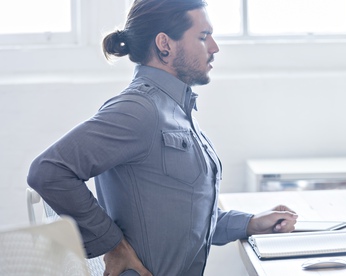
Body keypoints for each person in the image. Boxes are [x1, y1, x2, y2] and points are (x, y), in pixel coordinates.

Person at [27, 0, 297, 275]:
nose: (214, 47)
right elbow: (49, 170)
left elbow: (181, 220)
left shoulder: (176, 108)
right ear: (165, 44)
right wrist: (112, 244)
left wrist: (250, 223)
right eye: (203, 37)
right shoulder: (139, 110)